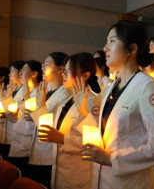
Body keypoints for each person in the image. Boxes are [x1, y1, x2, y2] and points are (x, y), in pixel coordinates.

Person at [79, 20, 154, 189]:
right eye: (106, 42)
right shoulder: (112, 86)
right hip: (104, 177)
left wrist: (111, 158)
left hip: (131, 181)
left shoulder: (148, 87)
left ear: (132, 48)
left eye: (112, 41)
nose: (105, 47)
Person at [37, 52, 101, 189]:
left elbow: (95, 144)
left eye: (68, 71)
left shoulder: (93, 103)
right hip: (59, 169)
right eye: (64, 71)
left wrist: (62, 139)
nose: (63, 75)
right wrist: (40, 106)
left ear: (85, 75)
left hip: (78, 174)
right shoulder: (66, 100)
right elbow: (48, 129)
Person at [27, 52, 70, 188]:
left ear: (60, 69)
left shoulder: (66, 94)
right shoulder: (47, 90)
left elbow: (50, 126)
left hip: (49, 155)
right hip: (38, 149)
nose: (43, 68)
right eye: (43, 65)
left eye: (47, 64)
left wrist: (40, 107)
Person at [8, 60, 42, 174]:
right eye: (20, 70)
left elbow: (33, 120)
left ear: (34, 74)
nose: (20, 73)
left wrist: (16, 120)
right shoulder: (23, 91)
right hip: (16, 138)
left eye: (24, 70)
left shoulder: (39, 93)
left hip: (27, 143)